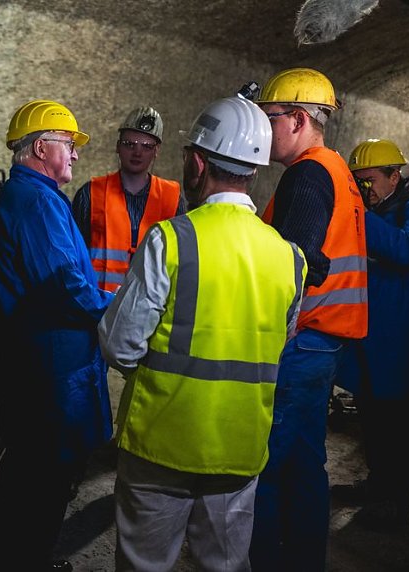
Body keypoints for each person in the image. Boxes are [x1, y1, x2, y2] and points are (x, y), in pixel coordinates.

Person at [98, 95, 307, 572]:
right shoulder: (289, 257)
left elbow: (119, 346)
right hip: (240, 448)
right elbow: (280, 341)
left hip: (161, 443)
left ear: (196, 162)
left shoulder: (170, 239)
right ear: (254, 169)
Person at [0, 99, 116, 572]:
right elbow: (64, 284)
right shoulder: (37, 202)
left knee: (33, 472)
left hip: (41, 364)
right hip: (48, 370)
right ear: (42, 147)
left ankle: (25, 558)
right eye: (69, 144)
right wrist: (117, 307)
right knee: (42, 476)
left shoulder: (29, 197)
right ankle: (27, 561)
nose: (76, 155)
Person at [250, 67, 368, 571]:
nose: (262, 129)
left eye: (269, 118)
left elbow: (296, 265)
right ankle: (302, 558)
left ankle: (273, 560)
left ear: (298, 119)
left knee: (274, 463)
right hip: (323, 344)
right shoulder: (336, 170)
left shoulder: (308, 174)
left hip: (301, 340)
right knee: (304, 462)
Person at [332, 138, 409, 530]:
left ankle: (397, 503)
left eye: (368, 182)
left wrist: (357, 212)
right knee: (373, 418)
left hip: (403, 343)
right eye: (357, 183)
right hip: (369, 337)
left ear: (394, 175)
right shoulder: (377, 208)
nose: (364, 190)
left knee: (401, 424)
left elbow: (406, 250)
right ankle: (377, 485)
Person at [72, 106, 186, 292]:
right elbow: (73, 257)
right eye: (129, 144)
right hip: (98, 308)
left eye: (146, 146)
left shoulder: (172, 198)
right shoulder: (91, 193)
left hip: (151, 310)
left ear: (156, 151)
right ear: (118, 146)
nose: (137, 152)